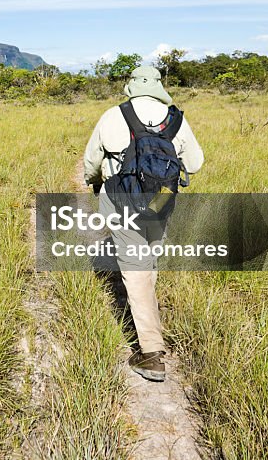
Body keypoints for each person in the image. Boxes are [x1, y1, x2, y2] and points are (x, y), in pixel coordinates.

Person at [82, 66, 204, 382]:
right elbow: (195, 163)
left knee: (134, 269)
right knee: (148, 259)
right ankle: (149, 315)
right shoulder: (175, 118)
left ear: (132, 87)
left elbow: (92, 161)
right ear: (159, 87)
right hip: (161, 200)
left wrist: (94, 182)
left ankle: (151, 353)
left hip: (121, 200)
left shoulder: (113, 115)